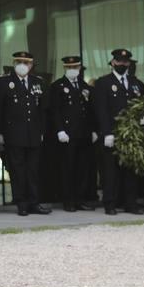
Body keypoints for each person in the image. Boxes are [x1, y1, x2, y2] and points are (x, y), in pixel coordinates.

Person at [0, 51, 51, 216]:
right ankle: (21, 203)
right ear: (14, 64)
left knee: (33, 170)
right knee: (18, 170)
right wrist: (0, 133)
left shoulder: (38, 82)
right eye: (19, 62)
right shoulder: (4, 82)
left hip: (33, 134)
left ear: (31, 65)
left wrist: (42, 131)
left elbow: (43, 110)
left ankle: (34, 202)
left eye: (26, 63)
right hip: (13, 134)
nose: (22, 65)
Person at [93, 48, 144, 215]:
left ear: (128, 63)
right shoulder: (104, 83)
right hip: (112, 134)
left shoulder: (135, 82)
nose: (122, 64)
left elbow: (142, 106)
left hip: (131, 134)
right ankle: (110, 203)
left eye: (125, 62)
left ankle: (130, 203)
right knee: (110, 172)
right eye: (119, 61)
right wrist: (107, 132)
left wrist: (143, 124)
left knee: (130, 171)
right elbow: (101, 110)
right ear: (113, 62)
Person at [49, 54, 97, 212]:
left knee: (82, 169)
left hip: (83, 134)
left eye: (75, 67)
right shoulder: (58, 86)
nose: (72, 70)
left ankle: (80, 199)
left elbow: (89, 111)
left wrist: (93, 130)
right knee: (68, 169)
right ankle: (68, 200)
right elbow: (55, 111)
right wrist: (60, 130)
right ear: (65, 68)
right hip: (67, 135)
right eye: (69, 67)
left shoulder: (84, 86)